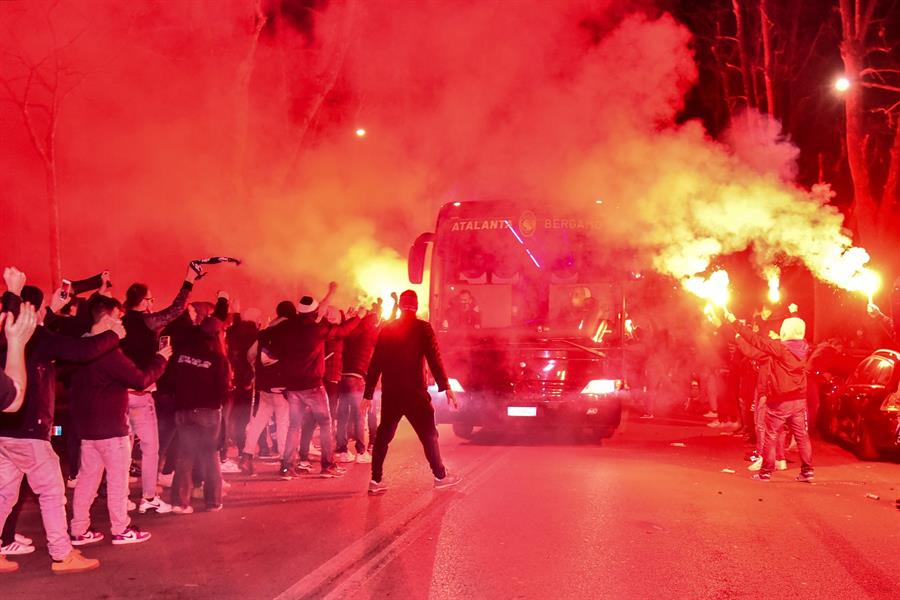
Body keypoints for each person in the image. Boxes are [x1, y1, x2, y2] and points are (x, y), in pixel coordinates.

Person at [0, 278, 118, 574]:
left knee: (3, 494)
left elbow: (46, 334)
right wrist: (113, 335)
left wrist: (44, 306)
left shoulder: (6, 333)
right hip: (30, 432)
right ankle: (62, 555)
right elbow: (80, 350)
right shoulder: (38, 336)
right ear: (32, 310)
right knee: (52, 491)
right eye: (43, 309)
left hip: (5, 432)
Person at [68, 297, 170, 547]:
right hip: (112, 428)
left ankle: (79, 529)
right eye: (118, 317)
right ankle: (121, 528)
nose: (122, 323)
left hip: (88, 429)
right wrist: (161, 359)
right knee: (117, 480)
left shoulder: (81, 347)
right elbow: (140, 380)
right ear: (106, 319)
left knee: (87, 480)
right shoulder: (108, 352)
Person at [363, 290, 461, 495]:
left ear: (400, 307)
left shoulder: (388, 329)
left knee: (383, 436)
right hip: (415, 392)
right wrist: (446, 387)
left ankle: (375, 480)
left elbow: (375, 363)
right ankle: (440, 476)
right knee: (429, 435)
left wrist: (368, 394)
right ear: (416, 307)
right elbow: (434, 359)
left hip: (392, 392)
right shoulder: (423, 328)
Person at [121, 266, 199, 514]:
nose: (152, 303)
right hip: (142, 393)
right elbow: (176, 309)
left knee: (122, 449)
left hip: (120, 394)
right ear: (143, 302)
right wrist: (189, 281)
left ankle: (121, 498)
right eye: (150, 299)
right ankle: (148, 497)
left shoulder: (118, 323)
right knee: (150, 448)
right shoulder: (147, 322)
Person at [272, 286, 360, 479]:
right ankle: (327, 466)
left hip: (292, 386)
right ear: (314, 313)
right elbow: (342, 330)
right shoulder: (317, 330)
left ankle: (287, 467)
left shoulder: (287, 328)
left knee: (294, 426)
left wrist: (330, 294)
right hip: (312, 385)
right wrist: (358, 317)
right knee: (326, 423)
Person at [722, 308, 813, 482]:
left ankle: (765, 472)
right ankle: (807, 471)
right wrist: (794, 314)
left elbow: (756, 341)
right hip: (799, 399)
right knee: (802, 435)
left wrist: (734, 323)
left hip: (781, 400)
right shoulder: (804, 347)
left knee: (771, 434)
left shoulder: (780, 348)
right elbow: (796, 328)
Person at [170, 317, 230, 513]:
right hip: (208, 411)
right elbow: (223, 390)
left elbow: (171, 379)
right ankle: (213, 502)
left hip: (183, 410)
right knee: (210, 455)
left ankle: (180, 503)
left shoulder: (182, 353)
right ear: (218, 335)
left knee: (185, 455)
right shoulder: (218, 358)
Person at [239, 302, 294, 475]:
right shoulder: (290, 331)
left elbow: (250, 354)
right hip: (281, 386)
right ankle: (285, 464)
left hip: (264, 385)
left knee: (259, 420)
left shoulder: (264, 332)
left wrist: (257, 369)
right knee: (283, 422)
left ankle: (246, 456)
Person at [335, 307, 379, 464]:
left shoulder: (351, 332)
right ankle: (361, 452)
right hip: (358, 378)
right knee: (359, 416)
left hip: (343, 377)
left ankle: (342, 451)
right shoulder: (371, 333)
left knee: (342, 416)